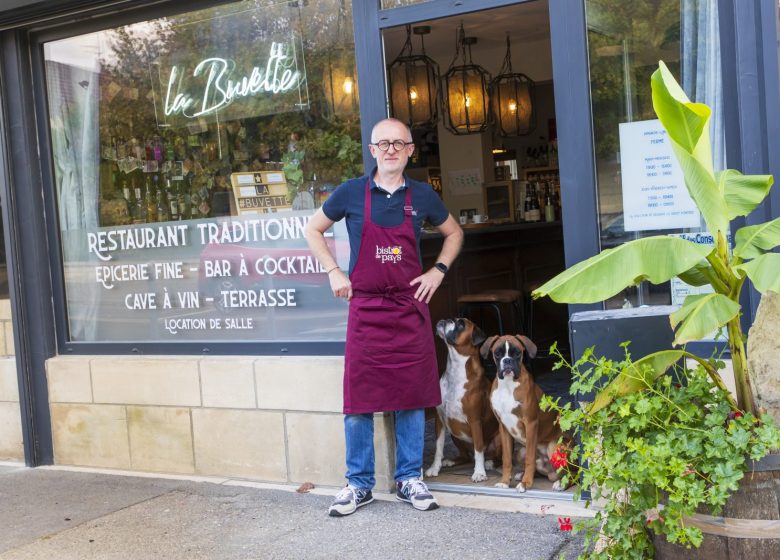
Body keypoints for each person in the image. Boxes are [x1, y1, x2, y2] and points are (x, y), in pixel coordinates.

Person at [304, 118, 463, 517]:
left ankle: (409, 479)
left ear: (411, 150)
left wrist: (437, 271)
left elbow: (454, 233)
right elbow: (313, 229)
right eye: (383, 144)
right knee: (358, 401)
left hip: (409, 308)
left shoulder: (423, 196)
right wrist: (333, 270)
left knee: (411, 396)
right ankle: (358, 485)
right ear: (372, 151)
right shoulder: (351, 193)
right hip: (367, 308)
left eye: (399, 143)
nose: (391, 149)